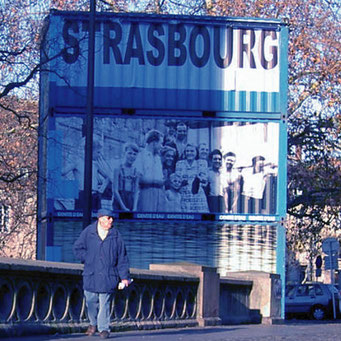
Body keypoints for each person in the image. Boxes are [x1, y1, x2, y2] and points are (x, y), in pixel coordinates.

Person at [73, 209, 131, 339]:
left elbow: (122, 258)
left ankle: (104, 328)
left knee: (104, 303)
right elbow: (77, 248)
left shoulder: (116, 236)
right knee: (90, 301)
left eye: (112, 218)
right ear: (100, 218)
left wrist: (124, 277)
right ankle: (92, 324)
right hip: (91, 274)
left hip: (108, 275)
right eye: (108, 218)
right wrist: (87, 258)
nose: (111, 220)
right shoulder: (89, 232)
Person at [135, 129, 165, 212]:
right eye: (160, 143)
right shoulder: (141, 156)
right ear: (154, 143)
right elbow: (139, 179)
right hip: (146, 193)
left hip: (159, 194)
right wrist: (156, 182)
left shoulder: (158, 158)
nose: (161, 146)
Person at [112, 142, 139, 211]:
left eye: (134, 154)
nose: (132, 156)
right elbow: (115, 190)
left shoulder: (136, 171)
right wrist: (123, 207)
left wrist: (134, 207)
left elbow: (136, 191)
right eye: (129, 153)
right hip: (119, 199)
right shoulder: (118, 169)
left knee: (130, 220)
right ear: (124, 153)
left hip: (130, 199)